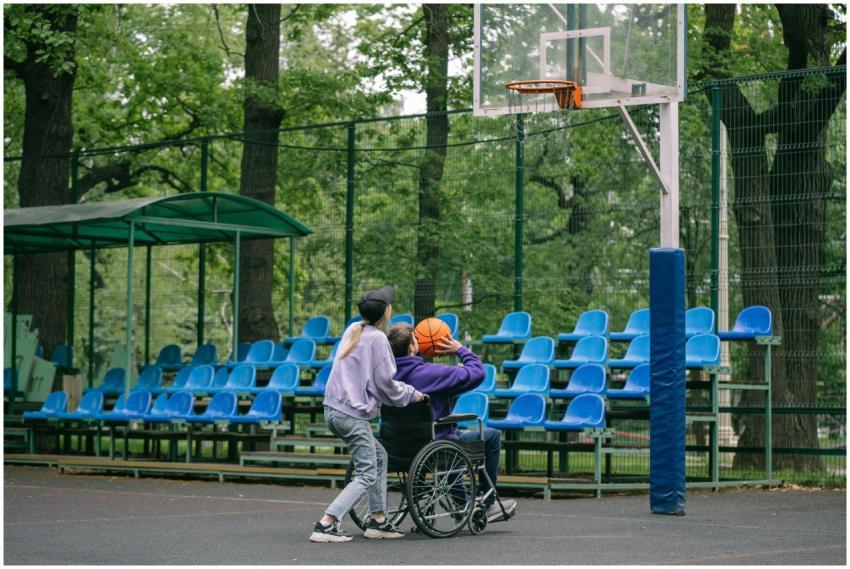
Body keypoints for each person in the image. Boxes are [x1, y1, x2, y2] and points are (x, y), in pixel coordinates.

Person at [310, 286, 425, 543]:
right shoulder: (378, 339)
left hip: (333, 410)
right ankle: (326, 523)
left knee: (379, 456)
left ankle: (378, 519)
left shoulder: (354, 329)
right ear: (386, 312)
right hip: (351, 415)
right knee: (367, 473)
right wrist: (412, 394)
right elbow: (385, 385)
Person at [386, 323, 517, 523]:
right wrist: (459, 349)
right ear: (412, 347)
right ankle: (488, 503)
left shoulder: (385, 376)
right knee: (490, 436)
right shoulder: (432, 374)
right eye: (415, 339)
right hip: (436, 446)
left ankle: (462, 503)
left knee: (448, 442)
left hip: (398, 447)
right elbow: (477, 372)